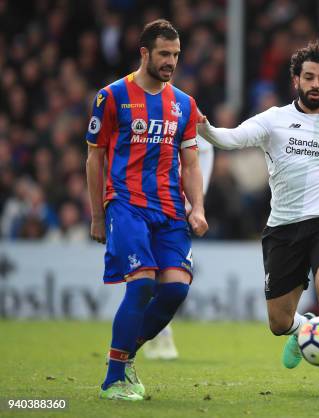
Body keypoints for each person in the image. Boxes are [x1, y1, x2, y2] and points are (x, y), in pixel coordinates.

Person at [198, 41, 319, 397]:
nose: (315, 84)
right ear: (296, 80)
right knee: (279, 322)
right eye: (309, 77)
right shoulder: (274, 120)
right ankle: (306, 330)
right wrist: (205, 128)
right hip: (284, 226)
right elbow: (233, 138)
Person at [86, 19, 208, 401]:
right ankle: (113, 380)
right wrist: (96, 214)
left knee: (174, 290)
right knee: (140, 284)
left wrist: (198, 208)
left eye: (176, 54)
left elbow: (190, 163)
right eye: (164, 54)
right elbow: (95, 157)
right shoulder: (112, 96)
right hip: (127, 205)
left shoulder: (184, 104)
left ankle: (123, 358)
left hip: (170, 210)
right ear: (144, 53)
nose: (171, 61)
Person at [143, 135, 214, 360]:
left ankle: (158, 331)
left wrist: (195, 203)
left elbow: (204, 149)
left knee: (170, 279)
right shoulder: (138, 106)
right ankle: (153, 333)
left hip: (175, 207)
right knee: (144, 273)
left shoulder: (183, 109)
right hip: (143, 202)